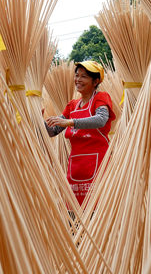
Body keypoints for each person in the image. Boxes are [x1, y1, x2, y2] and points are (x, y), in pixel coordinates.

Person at [45, 60, 115, 205]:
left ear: (95, 81)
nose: (78, 80)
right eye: (77, 75)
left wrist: (71, 122)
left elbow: (101, 119)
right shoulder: (72, 105)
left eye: (84, 76)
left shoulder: (100, 97)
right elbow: (53, 131)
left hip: (98, 164)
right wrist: (39, 121)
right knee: (75, 208)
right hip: (76, 166)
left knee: (97, 207)